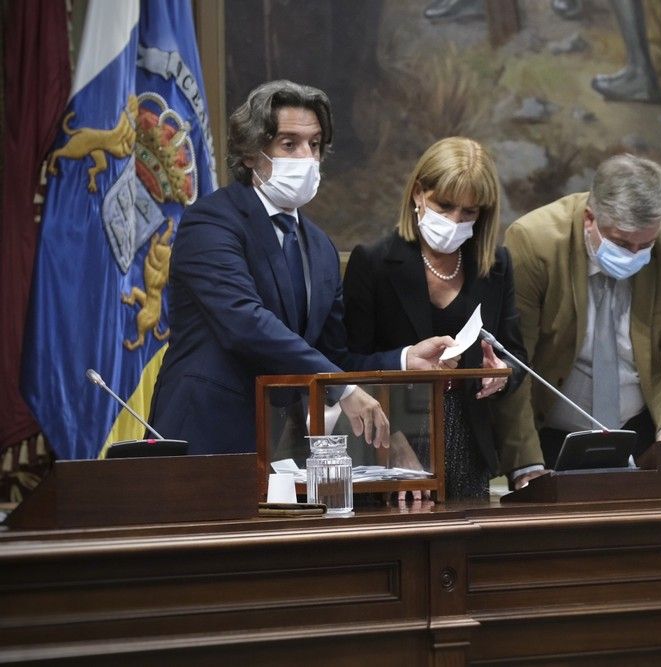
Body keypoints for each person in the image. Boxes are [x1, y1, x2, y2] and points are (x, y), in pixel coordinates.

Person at [148, 80, 454, 456]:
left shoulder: (320, 247)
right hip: (204, 436)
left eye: (315, 144)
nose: (306, 157)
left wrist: (405, 359)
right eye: (289, 144)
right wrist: (342, 387)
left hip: (277, 450)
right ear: (250, 153)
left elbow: (332, 357)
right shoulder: (211, 223)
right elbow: (244, 322)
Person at [495, 153, 661, 488]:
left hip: (645, 438)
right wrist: (526, 465)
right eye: (622, 242)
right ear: (589, 218)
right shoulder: (534, 242)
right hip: (550, 440)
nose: (633, 254)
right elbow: (511, 366)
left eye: (646, 244)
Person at [343, 137, 527, 500]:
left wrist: (500, 374)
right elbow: (345, 364)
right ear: (417, 194)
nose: (455, 221)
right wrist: (403, 362)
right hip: (389, 437)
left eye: (469, 213)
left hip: (468, 438)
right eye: (444, 206)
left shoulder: (496, 265)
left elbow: (517, 359)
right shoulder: (374, 262)